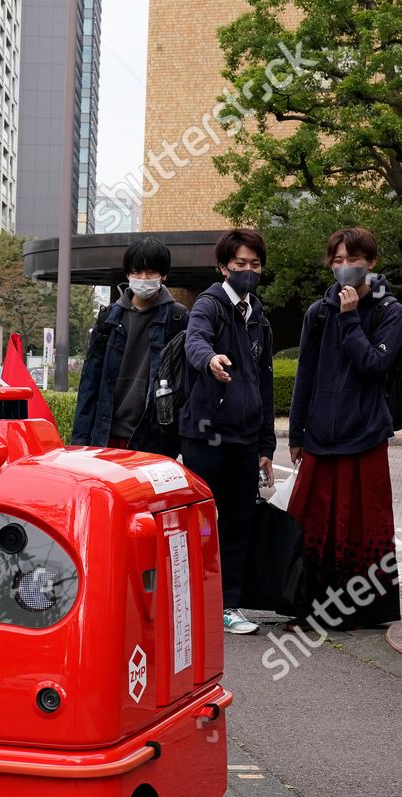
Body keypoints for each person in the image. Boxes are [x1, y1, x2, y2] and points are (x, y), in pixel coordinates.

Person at [286, 227, 402, 631]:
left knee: (364, 523)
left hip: (366, 434)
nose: (343, 268)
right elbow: (305, 374)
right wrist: (297, 434)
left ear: (370, 263)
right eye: (336, 261)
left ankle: (367, 611)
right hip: (320, 435)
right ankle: (309, 610)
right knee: (313, 523)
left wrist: (351, 317)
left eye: (352, 260)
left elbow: (374, 365)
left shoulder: (390, 311)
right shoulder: (317, 312)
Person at [180, 228, 276, 635]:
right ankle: (189, 603)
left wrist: (266, 443)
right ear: (224, 267)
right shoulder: (210, 304)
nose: (249, 271)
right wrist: (210, 359)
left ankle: (228, 605)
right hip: (205, 435)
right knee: (200, 523)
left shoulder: (259, 318)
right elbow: (194, 339)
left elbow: (265, 383)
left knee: (238, 522)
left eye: (255, 265)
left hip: (244, 438)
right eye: (241, 265)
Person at [72, 236, 191, 455]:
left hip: (154, 438)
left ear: (164, 275)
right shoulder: (108, 317)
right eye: (136, 272)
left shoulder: (178, 318)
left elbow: (188, 385)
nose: (143, 279)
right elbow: (90, 382)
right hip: (107, 434)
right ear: (127, 273)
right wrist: (79, 441)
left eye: (151, 273)